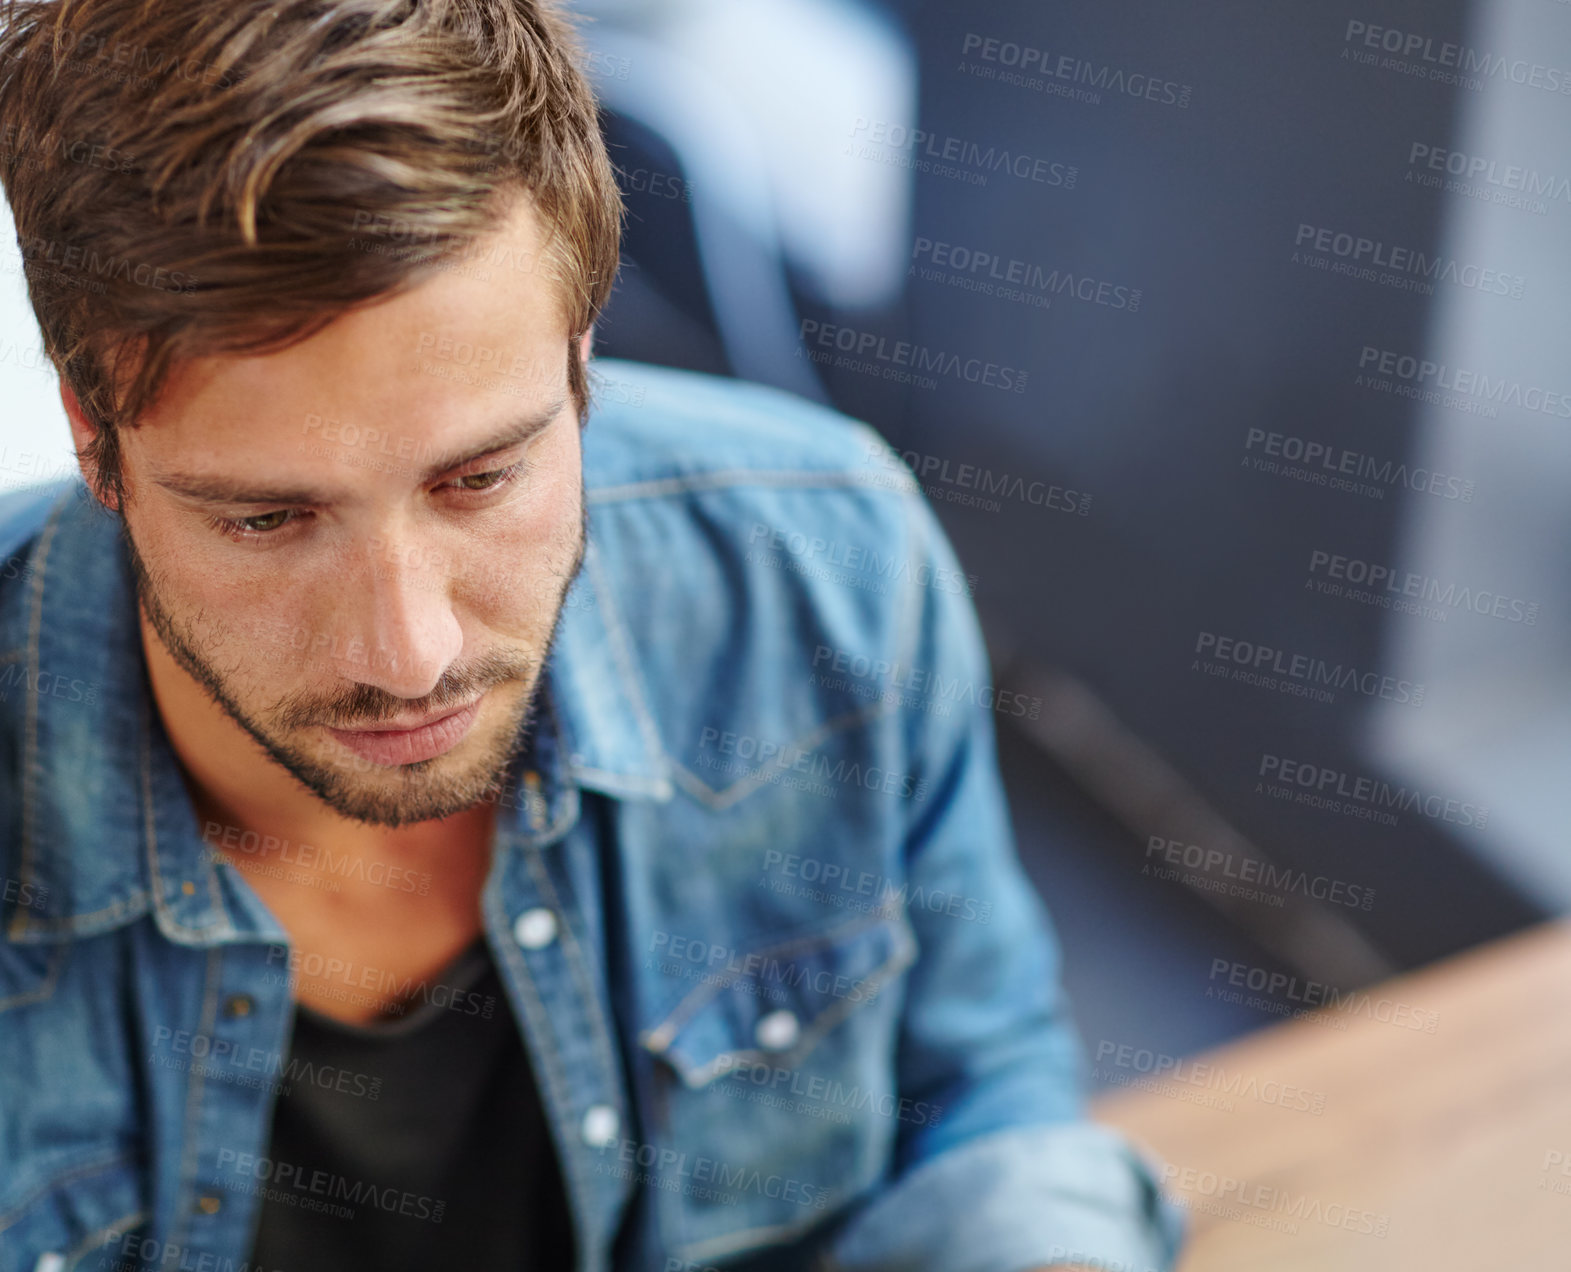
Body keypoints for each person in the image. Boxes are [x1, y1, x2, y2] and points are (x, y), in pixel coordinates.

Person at [0, 1, 1185, 1269]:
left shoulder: (823, 567)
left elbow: (973, 1087)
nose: (409, 656)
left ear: (578, 359)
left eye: (479, 481)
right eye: (267, 519)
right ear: (93, 435)